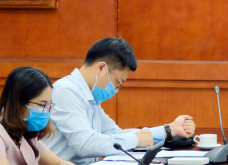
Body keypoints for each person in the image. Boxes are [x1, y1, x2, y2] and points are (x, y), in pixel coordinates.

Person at [44, 38, 196, 165]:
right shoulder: (66, 91)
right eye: (117, 82)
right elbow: (86, 145)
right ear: (101, 68)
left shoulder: (89, 97)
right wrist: (137, 138)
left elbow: (116, 134)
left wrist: (169, 129)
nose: (116, 90)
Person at [0, 66, 74, 165]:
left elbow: (59, 163)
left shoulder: (26, 131)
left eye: (49, 105)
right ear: (18, 103)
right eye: (42, 105)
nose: (46, 111)